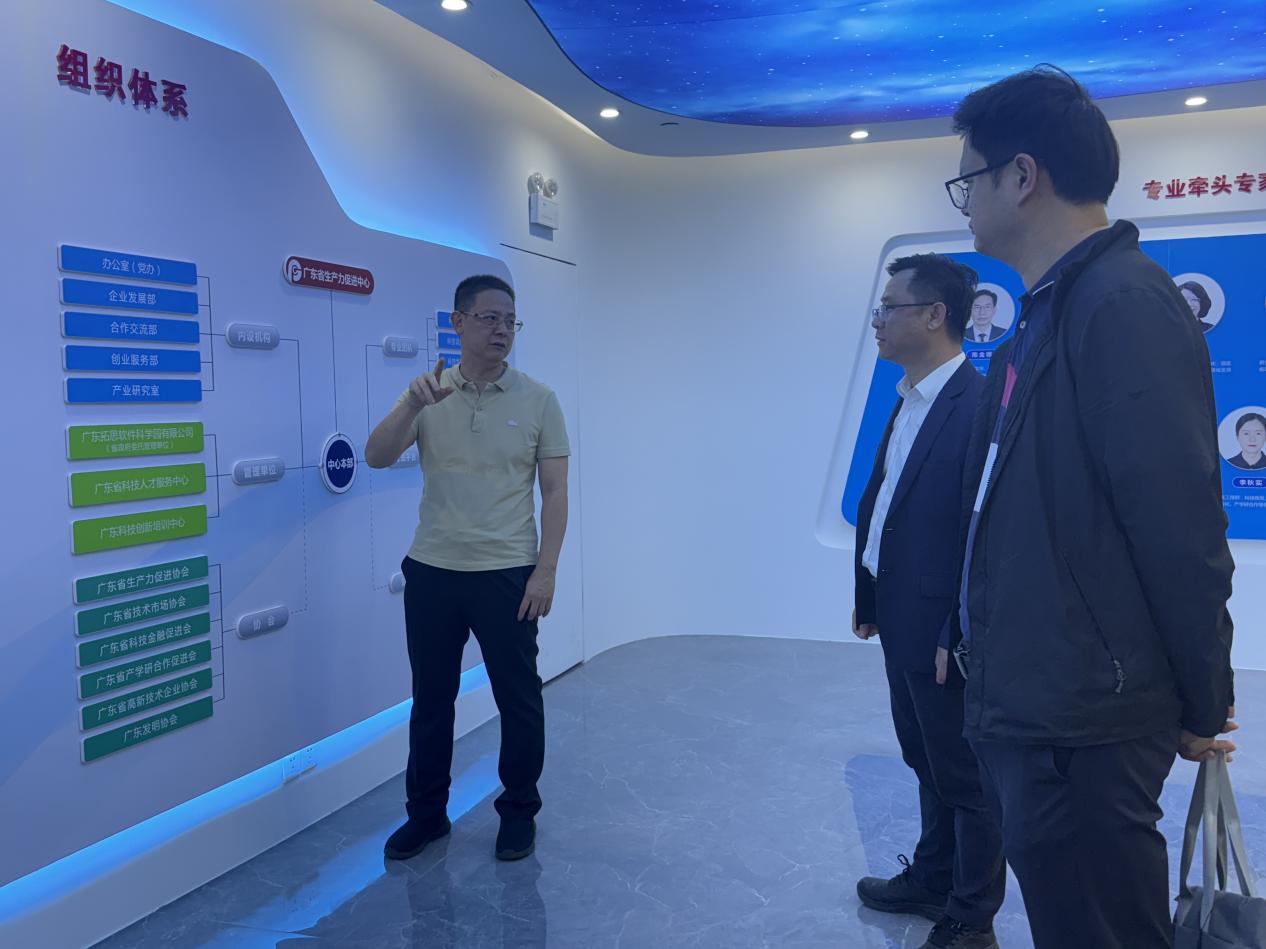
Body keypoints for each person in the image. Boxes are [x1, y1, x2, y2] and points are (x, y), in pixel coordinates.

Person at [943, 66, 1237, 948]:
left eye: (968, 179)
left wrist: (1205, 698)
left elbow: (1180, 524)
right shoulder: (1046, 316)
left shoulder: (1123, 303)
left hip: (1086, 717)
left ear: (1021, 176)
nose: (964, 201)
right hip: (1043, 701)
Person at [365, 274, 570, 862]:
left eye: (510, 321)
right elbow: (376, 456)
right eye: (489, 318)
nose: (501, 330)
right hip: (433, 570)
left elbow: (555, 492)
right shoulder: (429, 395)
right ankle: (427, 815)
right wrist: (412, 403)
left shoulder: (539, 400)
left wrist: (545, 571)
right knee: (431, 700)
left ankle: (519, 811)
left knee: (518, 699)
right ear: (457, 322)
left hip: (508, 573)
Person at [853, 254, 1003, 949]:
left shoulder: (976, 406)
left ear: (935, 315)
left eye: (890, 307)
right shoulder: (911, 397)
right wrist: (869, 594)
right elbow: (887, 503)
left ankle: (971, 915)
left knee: (966, 775)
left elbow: (984, 532)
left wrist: (955, 627)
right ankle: (933, 877)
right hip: (899, 613)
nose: (878, 320)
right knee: (925, 756)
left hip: (945, 627)